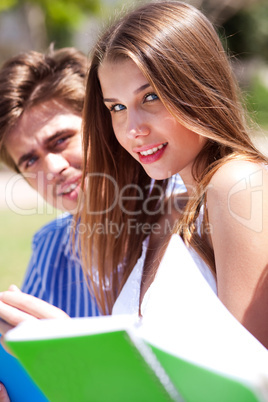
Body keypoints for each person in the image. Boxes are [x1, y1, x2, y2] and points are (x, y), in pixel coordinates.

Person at [75, 0, 268, 347]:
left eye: (149, 97)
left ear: (196, 86)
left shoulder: (237, 183)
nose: (132, 129)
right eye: (116, 107)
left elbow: (246, 381)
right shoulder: (168, 208)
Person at [0, 45, 99, 318]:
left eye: (60, 140)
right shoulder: (49, 248)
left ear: (100, 123)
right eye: (30, 161)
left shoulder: (189, 220)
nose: (53, 168)